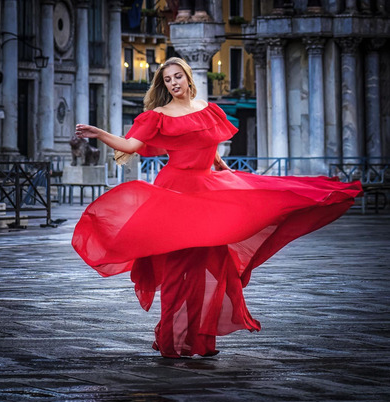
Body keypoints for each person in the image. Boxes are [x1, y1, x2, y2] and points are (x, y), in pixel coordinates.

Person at [73, 57, 362, 359]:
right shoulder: (158, 116)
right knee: (176, 272)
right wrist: (100, 133)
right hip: (173, 194)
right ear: (164, 85)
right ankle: (171, 341)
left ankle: (200, 340)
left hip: (206, 192)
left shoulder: (209, 111)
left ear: (187, 77)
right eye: (168, 79)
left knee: (207, 266)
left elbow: (209, 152)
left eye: (177, 76)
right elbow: (130, 146)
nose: (173, 83)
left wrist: (226, 171)